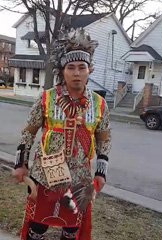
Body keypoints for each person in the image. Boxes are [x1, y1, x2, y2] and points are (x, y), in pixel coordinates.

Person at [12, 28, 111, 240]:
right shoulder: (46, 98)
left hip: (80, 180)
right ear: (62, 70)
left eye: (81, 67)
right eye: (71, 67)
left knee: (71, 230)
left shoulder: (99, 104)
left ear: (89, 69)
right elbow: (28, 132)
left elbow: (103, 140)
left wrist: (101, 172)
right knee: (37, 228)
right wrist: (20, 164)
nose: (76, 73)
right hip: (44, 176)